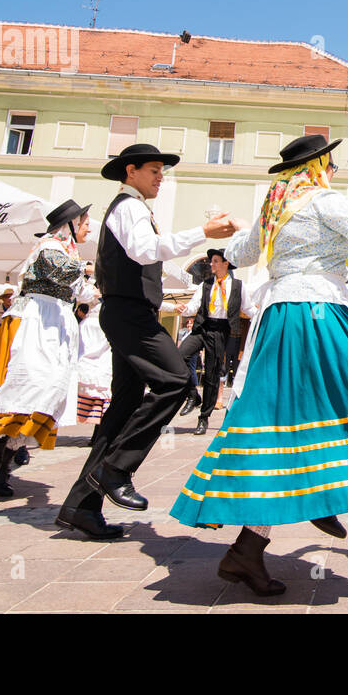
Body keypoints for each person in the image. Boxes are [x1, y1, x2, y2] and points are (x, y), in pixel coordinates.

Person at [169, 134, 348, 596]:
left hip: (280, 315)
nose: (334, 172)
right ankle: (322, 487)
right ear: (319, 165)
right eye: (332, 164)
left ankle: (254, 544)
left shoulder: (276, 206)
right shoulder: (321, 200)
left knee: (288, 418)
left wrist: (233, 232)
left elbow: (242, 255)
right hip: (314, 311)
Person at [56, 143, 237, 541]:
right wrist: (202, 233)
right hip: (130, 315)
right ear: (130, 171)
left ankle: (79, 507)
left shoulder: (135, 207)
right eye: (154, 169)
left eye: (162, 171)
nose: (160, 177)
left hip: (130, 313)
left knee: (121, 411)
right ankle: (116, 469)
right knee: (175, 382)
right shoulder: (129, 207)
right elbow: (143, 251)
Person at [0, 200, 96, 497]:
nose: (88, 227)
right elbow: (62, 272)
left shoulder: (67, 251)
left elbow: (84, 291)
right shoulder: (49, 246)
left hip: (54, 323)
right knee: (32, 385)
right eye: (85, 222)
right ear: (71, 224)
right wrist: (96, 268)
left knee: (50, 390)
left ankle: (1, 456)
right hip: (36, 322)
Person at [177, 248, 256, 435]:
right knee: (179, 356)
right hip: (202, 327)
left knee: (212, 375)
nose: (210, 264)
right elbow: (193, 306)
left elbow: (249, 308)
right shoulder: (205, 284)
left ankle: (203, 418)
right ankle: (192, 395)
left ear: (225, 263)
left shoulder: (238, 286)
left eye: (214, 261)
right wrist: (183, 308)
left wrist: (263, 318)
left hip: (221, 331)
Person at [76, 297, 113, 431]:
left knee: (104, 378)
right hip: (93, 330)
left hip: (103, 329)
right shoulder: (88, 287)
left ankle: (99, 431)